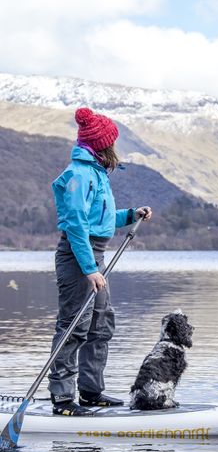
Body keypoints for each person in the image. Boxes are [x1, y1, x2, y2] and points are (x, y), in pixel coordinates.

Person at [48, 107, 152, 416]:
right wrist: (89, 269)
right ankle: (63, 400)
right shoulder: (77, 176)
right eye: (112, 142)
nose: (115, 148)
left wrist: (131, 214)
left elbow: (101, 220)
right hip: (77, 256)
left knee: (100, 324)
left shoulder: (96, 173)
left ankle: (91, 392)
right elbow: (76, 226)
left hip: (95, 255)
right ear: (101, 144)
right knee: (73, 327)